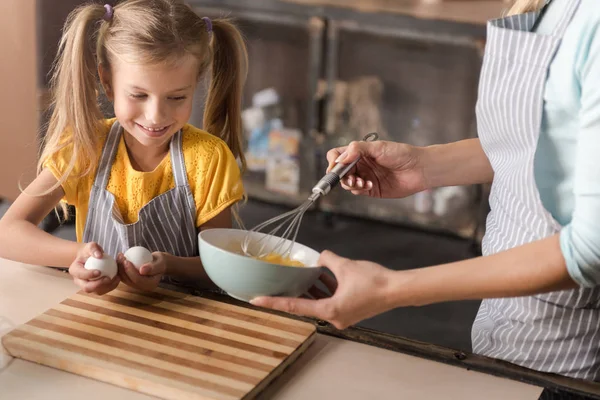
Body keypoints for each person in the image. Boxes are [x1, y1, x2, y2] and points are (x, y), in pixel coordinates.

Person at [252, 0, 600, 382]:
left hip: (569, 353)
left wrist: (391, 288)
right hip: (504, 331)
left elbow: (589, 249)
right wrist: (425, 166)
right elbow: (536, 146)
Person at [0, 0, 247, 295]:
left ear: (195, 85)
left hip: (187, 319)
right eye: (139, 95)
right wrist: (79, 255)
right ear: (108, 82)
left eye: (177, 97)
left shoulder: (209, 159)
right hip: (103, 316)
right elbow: (7, 234)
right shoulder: (86, 148)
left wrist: (170, 265)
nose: (156, 116)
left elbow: (223, 266)